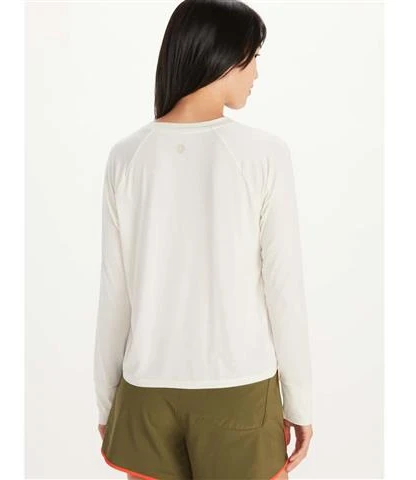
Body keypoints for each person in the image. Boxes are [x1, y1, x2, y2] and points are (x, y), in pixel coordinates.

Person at [93, 0, 313, 478]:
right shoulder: (264, 155)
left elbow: (115, 292)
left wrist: (107, 403)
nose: (256, 73)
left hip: (146, 394)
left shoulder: (126, 157)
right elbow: (284, 289)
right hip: (239, 391)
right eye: (253, 58)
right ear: (224, 55)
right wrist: (300, 401)